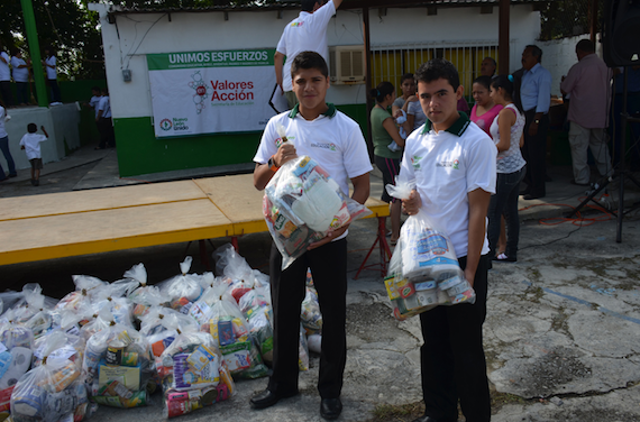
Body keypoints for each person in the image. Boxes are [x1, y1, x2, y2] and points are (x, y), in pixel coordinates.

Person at [251, 51, 371, 420]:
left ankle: (330, 390)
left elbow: (362, 186)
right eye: (300, 80)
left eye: (315, 80)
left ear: (327, 83)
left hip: (329, 239)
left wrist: (339, 224)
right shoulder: (277, 126)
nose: (307, 87)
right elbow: (258, 181)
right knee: (284, 310)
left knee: (333, 315)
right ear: (291, 83)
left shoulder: (345, 127)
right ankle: (282, 382)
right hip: (287, 238)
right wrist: (275, 161)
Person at [400, 58, 495, 422]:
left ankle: (476, 415)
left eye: (441, 94)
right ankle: (438, 412)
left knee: (466, 349)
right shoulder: (415, 140)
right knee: (434, 343)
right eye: (425, 96)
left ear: (458, 93)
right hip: (427, 259)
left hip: (461, 260)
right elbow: (408, 191)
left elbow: (478, 212)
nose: (432, 104)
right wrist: (408, 200)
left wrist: (470, 271)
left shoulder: (476, 143)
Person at [560, 39, 612, 186]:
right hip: (600, 114)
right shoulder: (606, 66)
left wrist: (563, 81)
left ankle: (582, 179)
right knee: (600, 145)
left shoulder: (579, 68)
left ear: (580, 52)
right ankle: (608, 174)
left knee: (579, 147)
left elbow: (565, 89)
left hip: (581, 114)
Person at [275, 0, 343, 109]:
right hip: (310, 85)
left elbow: (278, 56)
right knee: (311, 123)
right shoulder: (316, 19)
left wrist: (280, 83)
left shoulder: (290, 26)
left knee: (295, 123)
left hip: (290, 83)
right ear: (316, 5)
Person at [487, 75, 526, 262]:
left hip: (504, 169)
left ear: (500, 90)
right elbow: (521, 141)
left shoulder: (505, 113)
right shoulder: (518, 111)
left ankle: (487, 254)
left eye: (492, 91)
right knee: (510, 212)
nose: (491, 95)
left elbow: (503, 144)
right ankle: (511, 251)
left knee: (494, 212)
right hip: (517, 166)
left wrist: (484, 151)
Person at [370, 81, 405, 245]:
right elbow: (399, 141)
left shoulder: (375, 111)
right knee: (396, 194)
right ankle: (395, 234)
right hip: (389, 157)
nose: (395, 97)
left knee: (386, 192)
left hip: (379, 156)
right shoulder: (385, 117)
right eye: (393, 94)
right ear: (388, 96)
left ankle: (382, 229)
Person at [515, 45, 552, 200]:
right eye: (523, 54)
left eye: (527, 55)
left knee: (536, 154)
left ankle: (538, 188)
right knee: (526, 153)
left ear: (535, 57)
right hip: (525, 116)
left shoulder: (542, 74)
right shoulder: (525, 74)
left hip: (536, 116)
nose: (523, 58)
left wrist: (535, 121)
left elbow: (543, 100)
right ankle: (530, 184)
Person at [0, 103, 17, 180]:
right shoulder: (2, 108)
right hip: (3, 135)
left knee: (7, 155)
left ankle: (8, 173)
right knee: (7, 154)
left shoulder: (1, 109)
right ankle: (8, 173)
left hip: (2, 135)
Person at [0, 43, 13, 107]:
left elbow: (6, 61)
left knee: (6, 89)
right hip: (0, 76)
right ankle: (5, 104)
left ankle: (11, 103)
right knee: (2, 91)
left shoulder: (3, 54)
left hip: (5, 75)